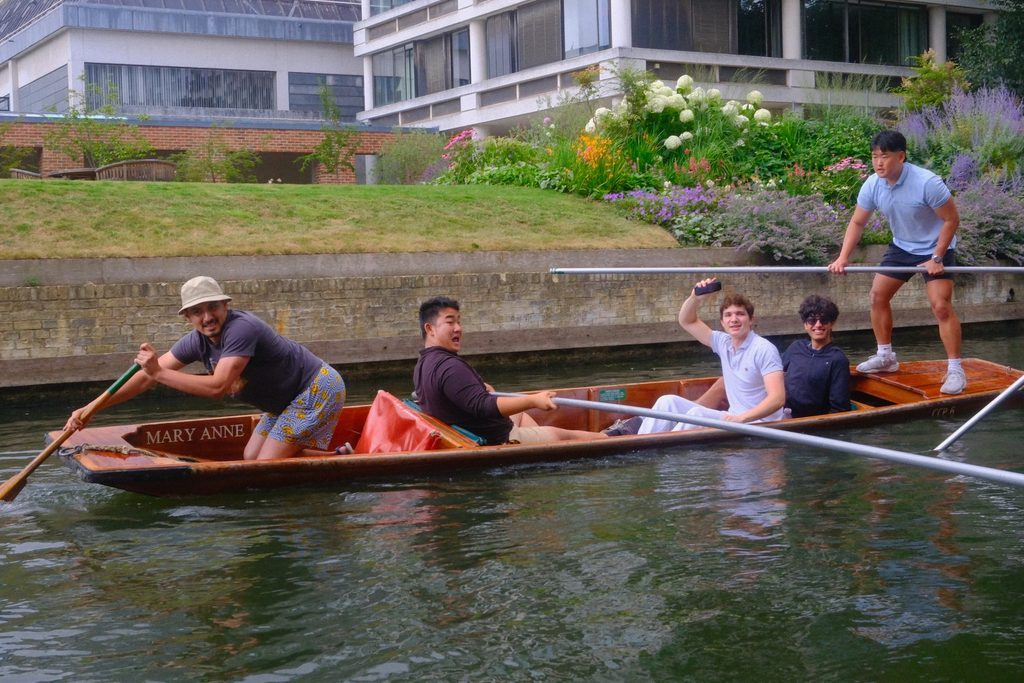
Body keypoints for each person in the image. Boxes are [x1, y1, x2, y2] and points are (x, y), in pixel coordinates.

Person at [65, 276, 346, 460]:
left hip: (315, 389)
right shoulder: (195, 342)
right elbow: (142, 380)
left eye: (213, 307)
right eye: (198, 312)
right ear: (187, 317)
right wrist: (90, 409)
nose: (208, 317)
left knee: (265, 464)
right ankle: (338, 457)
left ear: (225, 306)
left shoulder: (241, 330)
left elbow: (217, 388)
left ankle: (337, 462)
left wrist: (159, 373)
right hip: (282, 402)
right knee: (251, 458)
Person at [827, 129, 965, 394]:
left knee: (940, 306)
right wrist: (842, 258)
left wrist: (937, 257)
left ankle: (956, 369)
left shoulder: (928, 183)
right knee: (877, 296)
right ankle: (886, 356)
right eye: (875, 156)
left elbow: (951, 220)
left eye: (885, 156)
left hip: (935, 246)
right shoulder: (872, 184)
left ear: (901, 157)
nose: (879, 162)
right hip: (902, 245)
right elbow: (857, 222)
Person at [413, 296, 605, 445]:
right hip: (497, 438)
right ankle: (608, 437)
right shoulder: (449, 367)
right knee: (564, 436)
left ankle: (538, 445)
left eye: (459, 321)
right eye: (450, 322)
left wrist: (478, 389)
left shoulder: (424, 363)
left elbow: (467, 397)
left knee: (520, 413)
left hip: (478, 428)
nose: (458, 328)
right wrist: (533, 400)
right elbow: (483, 405)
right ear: (430, 329)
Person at [636, 279, 786, 434]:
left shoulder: (764, 349)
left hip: (759, 423)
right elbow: (687, 321)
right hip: (733, 418)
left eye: (740, 314)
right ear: (722, 322)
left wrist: (742, 418)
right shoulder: (723, 342)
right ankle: (640, 445)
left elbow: (777, 398)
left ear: (751, 320)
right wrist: (695, 297)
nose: (733, 319)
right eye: (728, 315)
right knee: (667, 401)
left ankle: (662, 448)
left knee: (697, 414)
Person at [782, 294, 850, 418]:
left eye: (823, 320)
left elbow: (840, 408)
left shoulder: (838, 360)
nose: (818, 325)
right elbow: (775, 375)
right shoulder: (795, 347)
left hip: (810, 422)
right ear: (805, 324)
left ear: (832, 323)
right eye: (812, 320)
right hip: (782, 414)